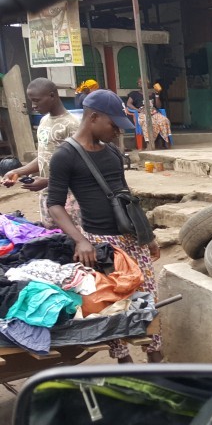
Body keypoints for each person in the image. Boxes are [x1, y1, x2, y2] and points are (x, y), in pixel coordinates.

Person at [47, 89, 163, 364]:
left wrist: (147, 234)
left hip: (133, 237)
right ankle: (124, 362)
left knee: (148, 298)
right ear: (93, 117)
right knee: (111, 303)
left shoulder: (111, 150)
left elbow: (126, 195)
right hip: (100, 243)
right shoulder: (65, 156)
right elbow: (54, 204)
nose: (116, 132)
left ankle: (156, 357)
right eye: (112, 125)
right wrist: (80, 241)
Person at [2, 78, 81, 229]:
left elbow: (81, 164)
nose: (33, 106)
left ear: (52, 95)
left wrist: (48, 181)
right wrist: (17, 172)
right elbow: (44, 156)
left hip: (70, 197)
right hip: (46, 195)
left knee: (76, 240)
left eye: (37, 100)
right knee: (53, 242)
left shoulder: (72, 125)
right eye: (31, 101)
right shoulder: (44, 122)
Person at [126, 79, 171, 149]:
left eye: (145, 82)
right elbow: (128, 104)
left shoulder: (153, 94)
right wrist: (137, 109)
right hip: (142, 113)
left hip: (154, 112)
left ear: (148, 84)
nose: (142, 84)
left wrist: (157, 95)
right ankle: (149, 143)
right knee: (147, 122)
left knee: (164, 120)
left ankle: (166, 141)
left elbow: (158, 106)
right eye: (140, 82)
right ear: (138, 84)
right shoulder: (134, 94)